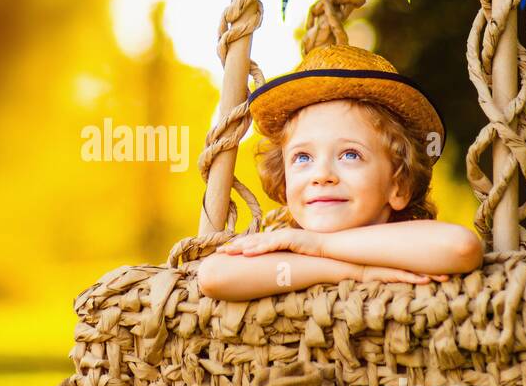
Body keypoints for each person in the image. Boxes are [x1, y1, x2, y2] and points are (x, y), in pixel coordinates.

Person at [197, 44, 484, 302]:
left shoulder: (410, 239)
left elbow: (461, 247)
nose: (321, 175)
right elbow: (214, 275)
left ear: (399, 185)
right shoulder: (289, 246)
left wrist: (321, 244)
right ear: (283, 180)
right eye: (303, 157)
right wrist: (354, 271)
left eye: (350, 155)